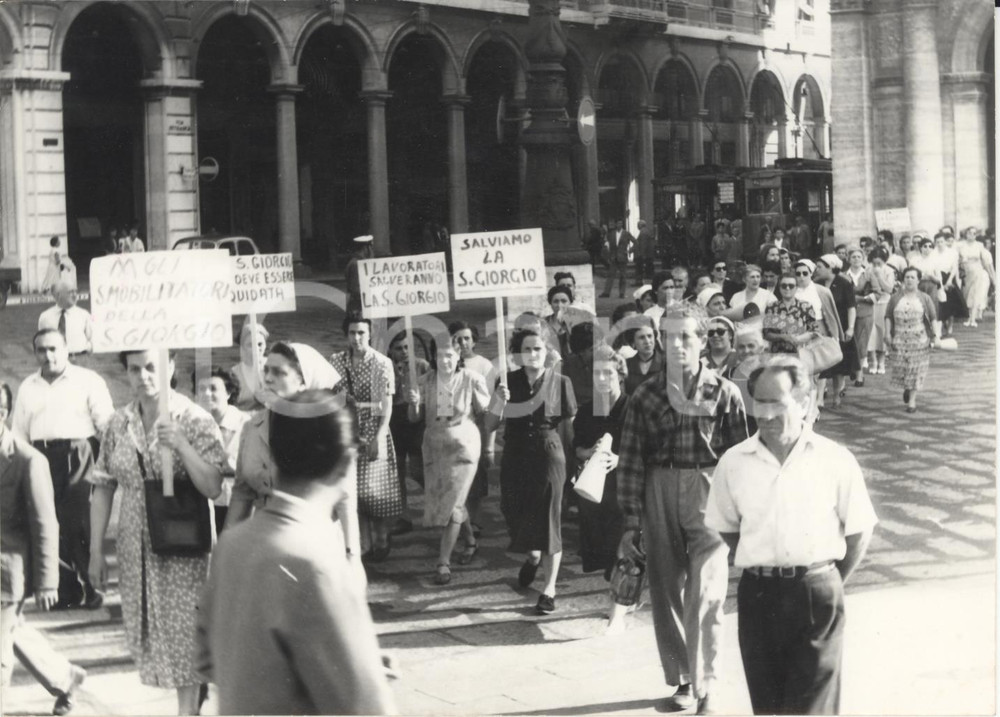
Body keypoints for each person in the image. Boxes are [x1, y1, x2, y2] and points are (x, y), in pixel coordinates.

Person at [195, 390, 395, 715]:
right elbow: (367, 709)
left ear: (274, 457)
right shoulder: (320, 563)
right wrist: (365, 673)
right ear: (346, 462)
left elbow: (207, 660)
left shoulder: (232, 545)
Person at [706, 356, 877, 715]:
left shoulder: (834, 459)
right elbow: (728, 528)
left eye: (776, 403)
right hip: (759, 597)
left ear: (804, 402)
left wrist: (823, 578)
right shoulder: (733, 463)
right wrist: (765, 561)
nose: (765, 414)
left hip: (816, 595)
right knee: (768, 707)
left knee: (810, 709)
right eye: (759, 403)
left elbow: (859, 531)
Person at [617, 303, 749, 714]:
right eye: (668, 336)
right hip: (659, 487)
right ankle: (684, 678)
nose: (676, 345)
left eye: (685, 336)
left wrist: (742, 514)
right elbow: (631, 458)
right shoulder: (646, 394)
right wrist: (631, 521)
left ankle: (707, 686)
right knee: (666, 587)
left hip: (709, 489)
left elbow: (740, 459)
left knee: (706, 591)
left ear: (703, 340)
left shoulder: (724, 392)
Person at [88, 349, 227, 715]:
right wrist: (95, 551)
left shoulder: (194, 419)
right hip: (135, 542)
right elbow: (103, 486)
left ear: (171, 367)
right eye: (135, 369)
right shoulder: (118, 424)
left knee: (184, 629)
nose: (144, 376)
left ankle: (187, 710)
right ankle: (192, 699)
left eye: (152, 367)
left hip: (182, 539)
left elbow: (213, 486)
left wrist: (180, 443)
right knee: (153, 630)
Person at [225, 342, 361, 569]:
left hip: (315, 548)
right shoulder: (251, 428)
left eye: (279, 372)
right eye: (266, 371)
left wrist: (352, 558)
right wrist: (227, 549)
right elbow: (241, 493)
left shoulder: (326, 430)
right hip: (263, 547)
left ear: (303, 382)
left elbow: (345, 501)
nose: (268, 379)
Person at [1, 383, 87, 717]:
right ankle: (65, 678)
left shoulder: (27, 460)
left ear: (3, 413)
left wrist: (48, 581)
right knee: (12, 632)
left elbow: (44, 523)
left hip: (6, 574)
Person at [11, 329, 113, 610]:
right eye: (41, 350)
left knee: (78, 520)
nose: (48, 355)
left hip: (78, 454)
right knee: (46, 519)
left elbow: (106, 423)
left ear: (66, 349)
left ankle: (92, 586)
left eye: (53, 348)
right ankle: (66, 590)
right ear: (35, 353)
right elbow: (19, 432)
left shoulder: (87, 380)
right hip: (40, 456)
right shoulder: (28, 386)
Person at [485, 329, 577, 615]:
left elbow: (569, 428)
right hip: (515, 457)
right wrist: (498, 401)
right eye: (527, 349)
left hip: (548, 456)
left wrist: (575, 464)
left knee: (549, 521)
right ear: (518, 353)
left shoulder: (561, 383)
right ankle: (533, 557)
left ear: (546, 352)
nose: (533, 354)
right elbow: (489, 425)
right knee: (514, 513)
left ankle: (549, 589)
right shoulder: (507, 381)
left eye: (538, 348)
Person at [407, 337, 489, 584]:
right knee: (453, 499)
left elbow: (486, 413)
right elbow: (414, 418)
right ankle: (470, 540)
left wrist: (500, 400)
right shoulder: (425, 381)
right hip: (435, 445)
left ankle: (443, 562)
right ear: (434, 357)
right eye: (440, 355)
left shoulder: (471, 379)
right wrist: (413, 404)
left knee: (453, 503)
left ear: (458, 356)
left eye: (450, 356)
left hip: (464, 446)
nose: (445, 361)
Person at [330, 314, 401, 561]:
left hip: (373, 426)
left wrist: (378, 437)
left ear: (369, 335)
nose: (357, 338)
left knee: (374, 489)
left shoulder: (382, 363)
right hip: (348, 428)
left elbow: (387, 405)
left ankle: (381, 535)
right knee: (353, 489)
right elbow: (334, 397)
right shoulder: (337, 361)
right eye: (352, 333)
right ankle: (364, 542)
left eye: (361, 333)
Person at [572, 346, 627, 582]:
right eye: (597, 374)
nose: (602, 379)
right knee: (601, 552)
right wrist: (588, 452)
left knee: (620, 550)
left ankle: (620, 584)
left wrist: (619, 459)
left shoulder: (633, 408)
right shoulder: (587, 411)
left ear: (621, 375)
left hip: (624, 486)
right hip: (594, 488)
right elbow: (577, 447)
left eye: (608, 373)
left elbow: (648, 450)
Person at [449, 321, 496, 541]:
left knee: (476, 479)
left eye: (467, 338)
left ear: (474, 341)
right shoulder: (445, 362)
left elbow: (488, 405)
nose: (463, 343)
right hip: (451, 428)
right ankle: (459, 520)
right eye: (457, 338)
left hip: (476, 427)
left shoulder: (483, 365)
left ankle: (473, 519)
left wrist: (489, 444)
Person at [192, 367, 250, 535]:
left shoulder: (247, 424)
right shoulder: (192, 424)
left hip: (238, 505)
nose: (206, 394)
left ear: (228, 393)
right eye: (201, 389)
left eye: (213, 388)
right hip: (202, 503)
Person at [388, 331, 431, 535]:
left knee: (417, 470)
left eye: (407, 347)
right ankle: (404, 517)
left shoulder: (421, 365)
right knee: (397, 473)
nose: (404, 352)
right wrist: (397, 374)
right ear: (390, 350)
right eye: (399, 348)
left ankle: (440, 502)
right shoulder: (386, 366)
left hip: (415, 421)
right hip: (395, 421)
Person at [886, 267, 941, 413]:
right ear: (903, 279)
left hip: (919, 339)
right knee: (903, 369)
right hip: (900, 338)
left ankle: (912, 401)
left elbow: (933, 317)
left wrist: (936, 336)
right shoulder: (895, 297)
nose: (909, 280)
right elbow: (888, 316)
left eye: (912, 277)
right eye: (907, 277)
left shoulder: (925, 298)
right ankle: (907, 388)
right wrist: (887, 334)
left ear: (918, 280)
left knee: (916, 370)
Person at [814, 254, 858, 409]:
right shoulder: (817, 284)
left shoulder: (844, 283)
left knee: (839, 364)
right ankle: (819, 398)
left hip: (840, 327)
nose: (817, 270)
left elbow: (851, 307)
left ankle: (837, 394)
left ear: (830, 267)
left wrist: (850, 328)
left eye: (820, 267)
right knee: (822, 364)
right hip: (823, 328)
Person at [763, 273, 818, 355]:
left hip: (802, 354)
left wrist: (798, 339)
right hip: (777, 355)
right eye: (784, 286)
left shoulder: (806, 306)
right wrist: (783, 337)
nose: (787, 288)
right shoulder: (771, 307)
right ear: (779, 288)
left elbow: (814, 331)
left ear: (796, 288)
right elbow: (766, 334)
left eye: (791, 286)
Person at [37, 279, 93, 357]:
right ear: (58, 295)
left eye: (75, 291)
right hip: (55, 359)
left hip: (80, 357)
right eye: (70, 292)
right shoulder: (45, 317)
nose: (75, 295)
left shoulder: (84, 314)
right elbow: (43, 340)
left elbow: (91, 339)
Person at [866, 248, 897, 375]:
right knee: (871, 331)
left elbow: (889, 289)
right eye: (874, 263)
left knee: (883, 330)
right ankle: (873, 360)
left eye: (879, 263)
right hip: (872, 302)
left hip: (885, 302)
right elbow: (866, 286)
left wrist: (879, 276)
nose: (876, 266)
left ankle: (882, 360)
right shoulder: (868, 270)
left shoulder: (889, 271)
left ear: (884, 261)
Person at [931, 230, 967, 336]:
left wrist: (950, 280)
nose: (940, 244)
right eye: (937, 242)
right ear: (935, 242)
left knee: (951, 302)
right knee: (941, 303)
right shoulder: (933, 253)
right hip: (938, 278)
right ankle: (943, 324)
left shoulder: (952, 252)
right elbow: (933, 268)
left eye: (941, 241)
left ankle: (950, 325)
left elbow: (954, 267)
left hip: (949, 277)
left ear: (945, 242)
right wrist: (939, 282)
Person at [958, 226, 995, 327]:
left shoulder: (979, 245)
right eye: (970, 233)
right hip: (966, 272)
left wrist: (992, 276)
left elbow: (985, 260)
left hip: (977, 270)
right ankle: (969, 317)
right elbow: (957, 259)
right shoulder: (960, 245)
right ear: (966, 234)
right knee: (967, 294)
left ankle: (973, 318)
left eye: (974, 233)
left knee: (975, 293)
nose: (972, 235)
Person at [230, 321, 269, 411]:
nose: (256, 349)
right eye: (250, 345)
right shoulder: (235, 373)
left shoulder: (275, 367)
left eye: (260, 344)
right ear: (242, 347)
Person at [624, 316, 663, 396]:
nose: (647, 341)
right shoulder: (626, 365)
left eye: (650, 336)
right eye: (641, 338)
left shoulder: (666, 363)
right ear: (633, 341)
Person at [601, 220, 633, 299]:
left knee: (623, 276)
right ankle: (606, 292)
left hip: (622, 257)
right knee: (610, 275)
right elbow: (607, 243)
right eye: (618, 223)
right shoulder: (612, 234)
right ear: (616, 224)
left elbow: (635, 242)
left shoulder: (626, 233)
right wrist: (609, 255)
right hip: (614, 257)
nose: (619, 225)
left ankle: (622, 293)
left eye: (621, 223)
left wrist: (629, 251)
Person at [344, 235, 375, 313]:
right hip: (358, 308)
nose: (372, 251)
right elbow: (356, 289)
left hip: (360, 306)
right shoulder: (356, 264)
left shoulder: (359, 262)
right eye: (371, 248)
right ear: (365, 248)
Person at [545, 285, 574, 357]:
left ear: (570, 303)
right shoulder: (543, 323)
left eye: (564, 301)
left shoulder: (577, 323)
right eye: (555, 301)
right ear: (550, 303)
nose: (559, 305)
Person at [634, 219, 657, 285]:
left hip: (646, 254)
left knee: (641, 267)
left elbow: (643, 244)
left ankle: (640, 281)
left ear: (640, 225)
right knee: (649, 267)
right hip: (649, 253)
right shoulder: (646, 231)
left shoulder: (643, 232)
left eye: (638, 225)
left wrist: (642, 254)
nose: (637, 226)